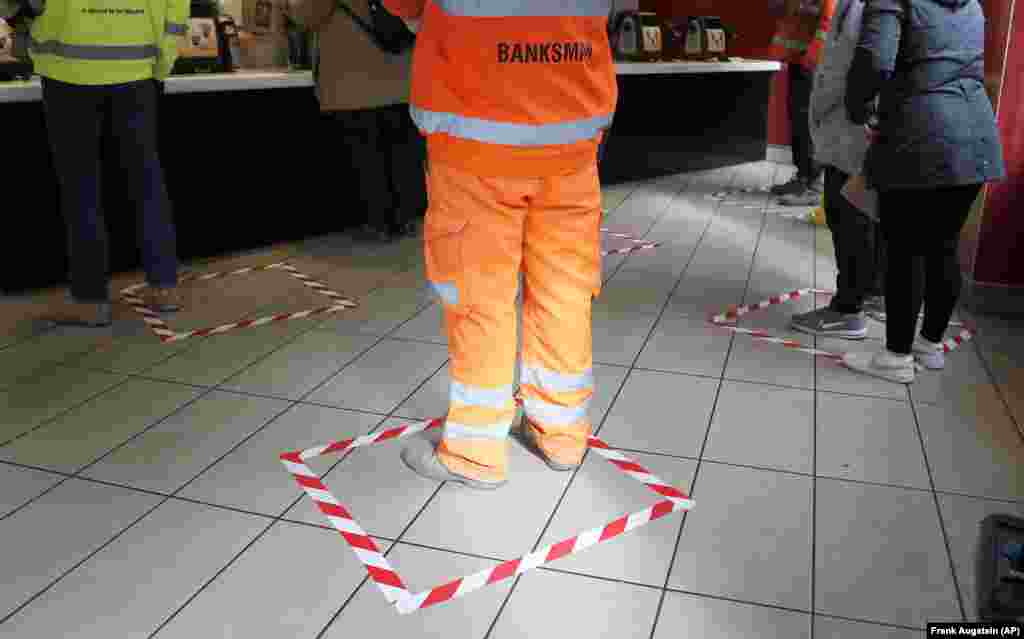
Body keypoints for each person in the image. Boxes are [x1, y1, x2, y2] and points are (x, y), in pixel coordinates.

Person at [383, 0, 617, 489]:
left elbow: (406, 9)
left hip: (476, 142)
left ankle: (474, 451)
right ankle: (561, 434)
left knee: (479, 298)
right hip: (570, 142)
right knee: (564, 293)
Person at [841, 0, 1005, 384]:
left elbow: (875, 60)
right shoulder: (971, 3)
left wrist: (856, 106)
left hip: (921, 133)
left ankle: (895, 357)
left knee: (905, 251)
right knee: (944, 245)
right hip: (976, 134)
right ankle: (929, 345)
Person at [29, 0, 186, 326]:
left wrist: (20, 25)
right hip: (137, 63)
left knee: (80, 186)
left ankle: (90, 301)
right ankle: (165, 288)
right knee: (146, 179)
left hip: (65, 63)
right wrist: (164, 59)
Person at [287, 0, 425, 242]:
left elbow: (306, 16)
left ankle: (378, 225)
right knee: (401, 156)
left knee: (366, 157)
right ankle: (406, 223)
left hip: (353, 83)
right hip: (402, 79)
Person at [790, 0, 887, 339]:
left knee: (848, 213)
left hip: (851, 125)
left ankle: (848, 309)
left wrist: (837, 113)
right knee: (870, 213)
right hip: (861, 123)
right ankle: (875, 294)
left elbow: (858, 64)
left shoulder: (869, 6)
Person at [768, 0, 835, 207]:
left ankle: (815, 185)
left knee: (809, 123)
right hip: (799, 60)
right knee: (797, 119)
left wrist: (813, 58)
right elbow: (785, 13)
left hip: (814, 63)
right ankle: (803, 177)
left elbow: (828, 23)